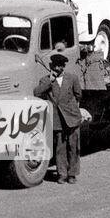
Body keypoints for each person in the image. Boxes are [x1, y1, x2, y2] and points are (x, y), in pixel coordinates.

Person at [34, 52, 83, 183]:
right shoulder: (46, 80)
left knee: (73, 147)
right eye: (55, 66)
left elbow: (78, 95)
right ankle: (61, 174)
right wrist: (50, 82)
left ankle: (72, 174)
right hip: (56, 119)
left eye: (61, 66)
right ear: (51, 66)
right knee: (60, 148)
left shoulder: (72, 78)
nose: (58, 69)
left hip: (72, 117)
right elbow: (37, 93)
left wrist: (73, 109)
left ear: (64, 67)